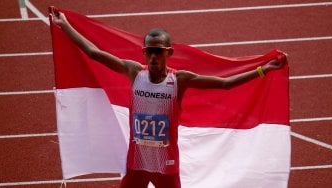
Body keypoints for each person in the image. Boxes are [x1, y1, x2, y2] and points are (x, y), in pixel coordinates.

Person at [50, 7, 287, 188]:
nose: (153, 57)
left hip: (167, 165)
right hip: (138, 163)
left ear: (169, 53)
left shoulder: (179, 80)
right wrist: (65, 26)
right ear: (144, 52)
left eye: (158, 52)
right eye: (149, 51)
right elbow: (94, 53)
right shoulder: (134, 72)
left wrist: (263, 70)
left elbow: (225, 84)